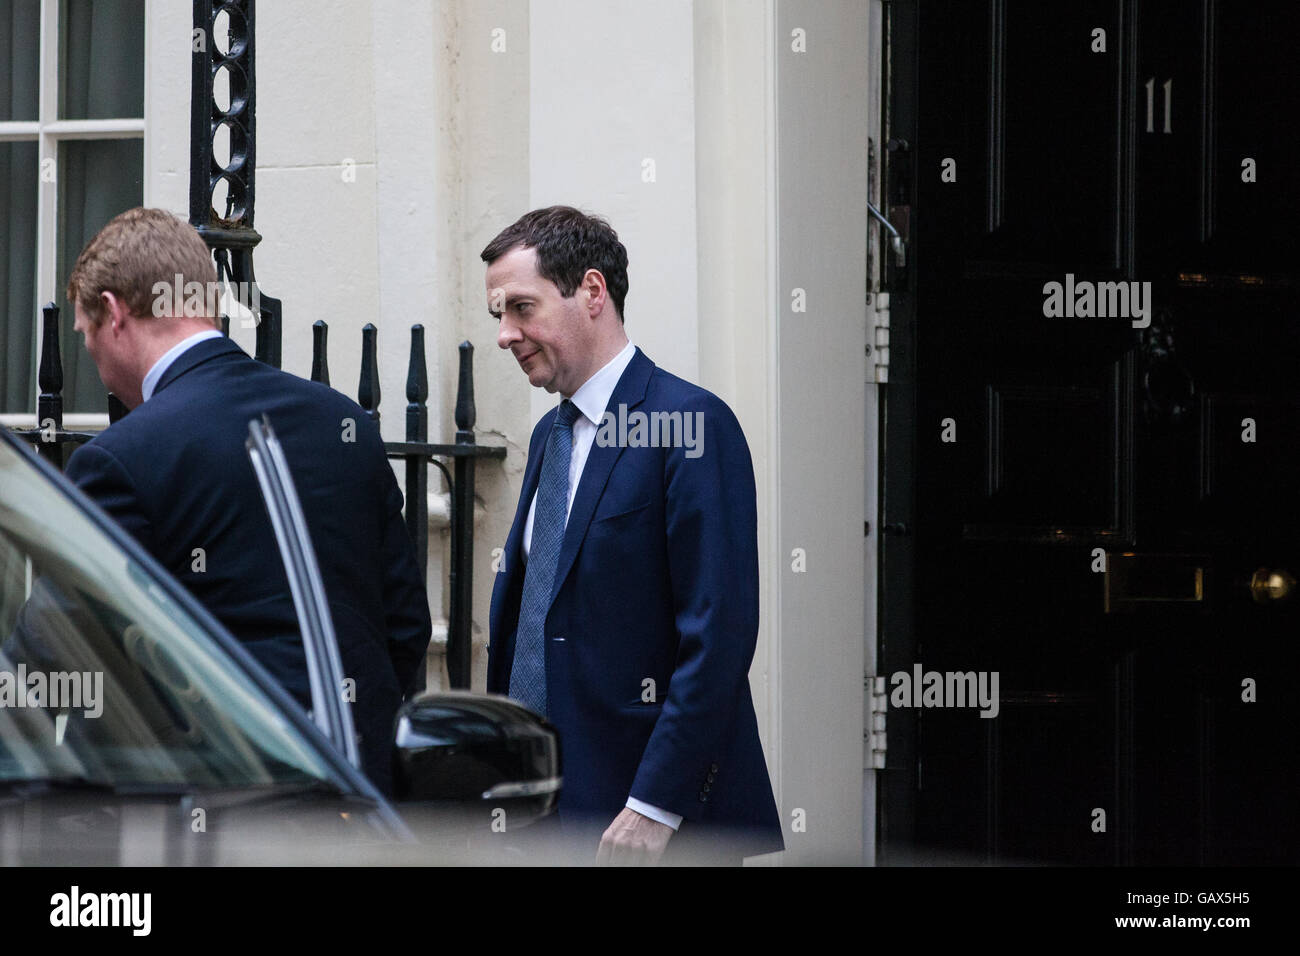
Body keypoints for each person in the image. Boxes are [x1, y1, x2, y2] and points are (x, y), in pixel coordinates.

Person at [62, 206, 431, 795]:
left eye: (85, 337)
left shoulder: (118, 458)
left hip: (221, 801)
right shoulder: (342, 419)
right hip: (364, 794)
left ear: (113, 312)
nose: (99, 371)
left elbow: (73, 652)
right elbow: (407, 623)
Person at [483, 206, 783, 864]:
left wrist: (655, 804)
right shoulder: (546, 439)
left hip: (649, 825)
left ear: (592, 292)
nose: (505, 335)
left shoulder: (690, 423)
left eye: (521, 308)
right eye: (497, 315)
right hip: (539, 816)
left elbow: (719, 632)